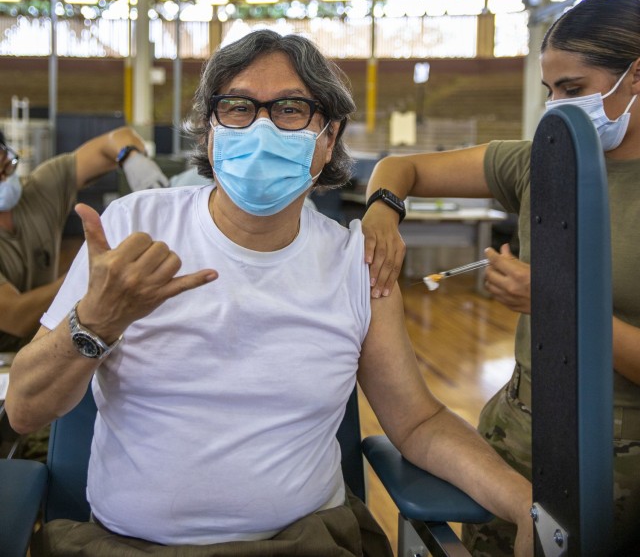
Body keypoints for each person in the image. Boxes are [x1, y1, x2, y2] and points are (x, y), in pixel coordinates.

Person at [6, 30, 533, 557]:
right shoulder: (132, 227)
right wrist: (95, 322)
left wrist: (523, 503)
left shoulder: (356, 262)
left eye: (290, 109)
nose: (260, 126)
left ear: (328, 139)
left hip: (303, 542)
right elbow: (26, 411)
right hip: (128, 545)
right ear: (210, 131)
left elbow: (417, 422)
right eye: (237, 107)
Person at [360, 0, 640, 555]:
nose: (557, 106)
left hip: (619, 460)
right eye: (550, 91)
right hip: (516, 431)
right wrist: (383, 211)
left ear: (635, 77)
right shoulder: (541, 161)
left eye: (574, 89)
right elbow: (402, 166)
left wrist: (560, 302)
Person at [0, 127, 169, 354]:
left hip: (46, 346)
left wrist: (131, 157)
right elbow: (16, 317)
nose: (3, 177)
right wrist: (88, 272)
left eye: (5, 166)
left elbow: (112, 140)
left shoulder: (38, 191)